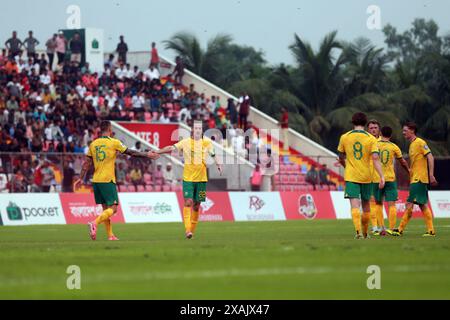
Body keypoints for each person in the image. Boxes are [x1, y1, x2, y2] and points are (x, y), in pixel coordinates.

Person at [74, 121, 160, 241]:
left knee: (105, 210)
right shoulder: (114, 142)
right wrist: (147, 154)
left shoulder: (93, 144)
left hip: (96, 180)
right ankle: (94, 223)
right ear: (109, 129)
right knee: (113, 208)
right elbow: (131, 152)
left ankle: (110, 235)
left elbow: (86, 164)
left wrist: (80, 178)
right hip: (107, 180)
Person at [156, 121, 223, 239]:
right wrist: (158, 151)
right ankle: (187, 230)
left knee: (197, 206)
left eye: (200, 128)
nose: (198, 130)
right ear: (192, 130)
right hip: (188, 179)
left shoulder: (207, 143)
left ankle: (191, 231)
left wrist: (218, 164)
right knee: (188, 202)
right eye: (195, 128)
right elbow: (172, 147)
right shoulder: (185, 142)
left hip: (202, 180)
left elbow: (213, 154)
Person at [337, 112, 385, 239]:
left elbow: (341, 157)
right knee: (366, 205)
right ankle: (365, 233)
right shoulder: (371, 138)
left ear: (352, 122)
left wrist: (346, 166)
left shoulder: (344, 137)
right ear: (365, 123)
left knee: (354, 205)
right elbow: (375, 159)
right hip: (366, 176)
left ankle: (358, 232)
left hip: (351, 176)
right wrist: (381, 176)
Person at [388, 122, 438, 237]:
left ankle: (400, 229)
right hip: (415, 178)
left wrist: (431, 175)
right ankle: (430, 230)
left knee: (410, 204)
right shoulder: (412, 144)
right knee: (421, 205)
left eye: (405, 130)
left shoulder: (420, 142)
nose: (403, 132)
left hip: (419, 179)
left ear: (412, 130)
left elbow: (430, 157)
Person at [368, 126, 410, 235]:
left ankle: (381, 228)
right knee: (392, 205)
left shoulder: (375, 145)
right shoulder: (394, 147)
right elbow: (402, 162)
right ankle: (391, 229)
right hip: (390, 179)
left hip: (377, 178)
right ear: (391, 135)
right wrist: (409, 170)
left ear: (380, 133)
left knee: (378, 204)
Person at [367, 119, 383, 234]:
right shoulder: (366, 141)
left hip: (381, 176)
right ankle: (374, 226)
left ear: (379, 129)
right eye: (371, 128)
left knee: (379, 202)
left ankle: (381, 225)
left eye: (375, 128)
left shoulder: (384, 142)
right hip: (368, 176)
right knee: (371, 201)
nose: (373, 130)